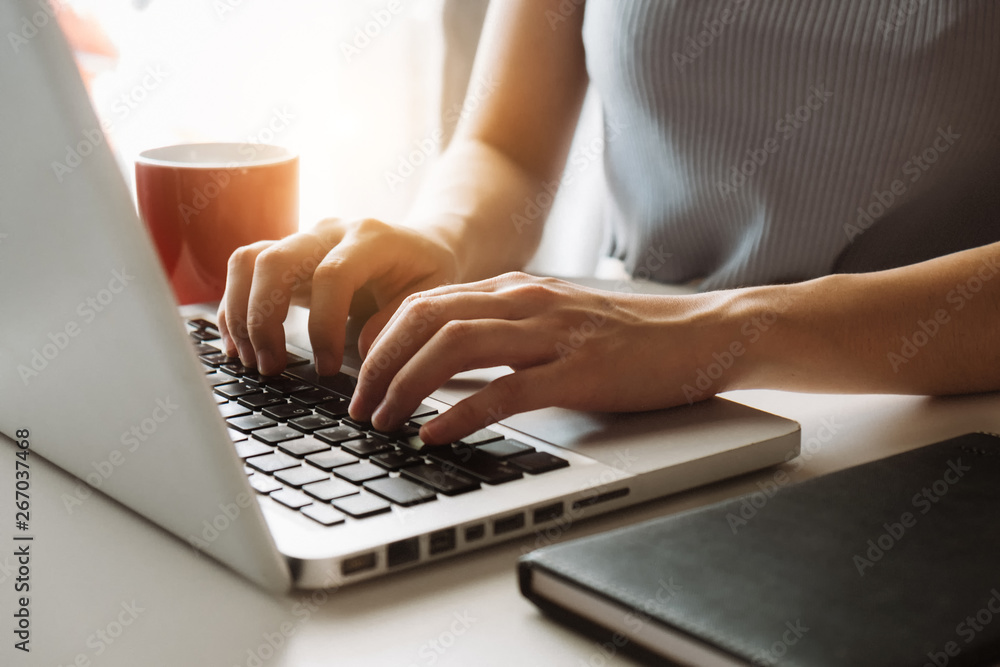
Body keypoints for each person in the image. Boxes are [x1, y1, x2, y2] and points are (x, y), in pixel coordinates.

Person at [217, 0, 1000, 446]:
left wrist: (714, 335)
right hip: (636, 381)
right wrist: (440, 239)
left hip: (929, 421)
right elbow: (507, 148)